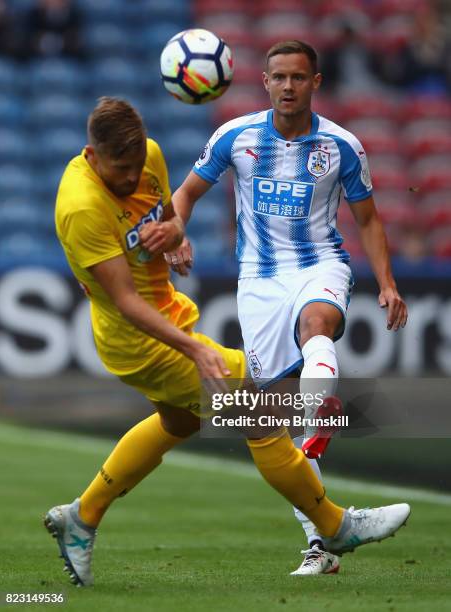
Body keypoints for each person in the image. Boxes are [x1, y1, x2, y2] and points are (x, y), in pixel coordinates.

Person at [46, 96, 410, 587]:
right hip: (139, 339)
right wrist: (196, 349)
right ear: (92, 157)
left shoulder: (148, 155)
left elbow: (165, 218)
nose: (131, 178)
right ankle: (335, 526)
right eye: (119, 170)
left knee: (177, 421)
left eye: (135, 167)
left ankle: (81, 517)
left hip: (168, 315)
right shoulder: (80, 207)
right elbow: (126, 300)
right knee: (259, 416)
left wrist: (175, 236)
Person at [160, 40, 409, 576]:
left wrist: (386, 283)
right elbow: (184, 195)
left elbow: (367, 219)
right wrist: (177, 232)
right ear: (265, 81)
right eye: (279, 77)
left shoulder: (342, 146)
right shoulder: (236, 136)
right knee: (273, 428)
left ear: (315, 82)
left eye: (298, 77)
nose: (288, 86)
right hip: (258, 283)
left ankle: (320, 415)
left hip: (321, 264)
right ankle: (321, 544)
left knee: (316, 325)